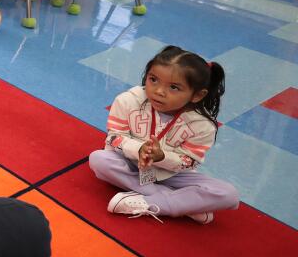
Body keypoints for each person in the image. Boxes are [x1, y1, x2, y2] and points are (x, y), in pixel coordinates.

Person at [89, 45, 238, 224]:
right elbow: (113, 137)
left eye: (174, 87)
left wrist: (162, 157)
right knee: (99, 159)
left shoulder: (202, 125)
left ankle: (151, 202)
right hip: (130, 164)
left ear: (197, 95)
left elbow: (190, 161)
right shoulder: (128, 100)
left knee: (229, 194)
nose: (159, 91)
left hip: (172, 175)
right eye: (153, 79)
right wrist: (138, 149)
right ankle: (183, 204)